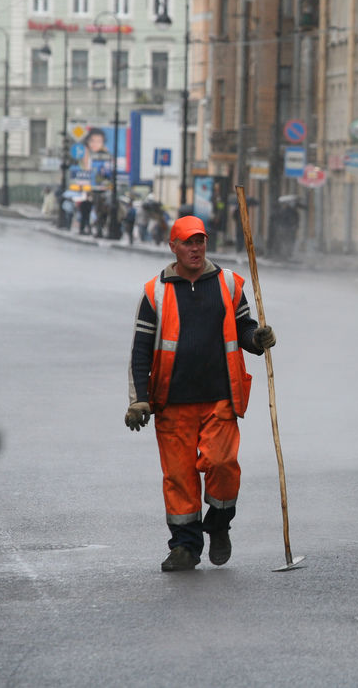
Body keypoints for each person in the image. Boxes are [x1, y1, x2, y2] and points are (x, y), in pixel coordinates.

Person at [124, 215, 277, 572]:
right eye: (188, 243)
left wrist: (258, 339)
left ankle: (219, 524)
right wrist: (139, 398)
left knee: (223, 465)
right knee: (179, 478)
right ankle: (185, 547)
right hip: (172, 403)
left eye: (200, 242)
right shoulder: (155, 293)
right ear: (173, 246)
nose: (195, 249)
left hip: (219, 397)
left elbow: (243, 328)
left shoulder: (228, 283)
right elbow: (141, 349)